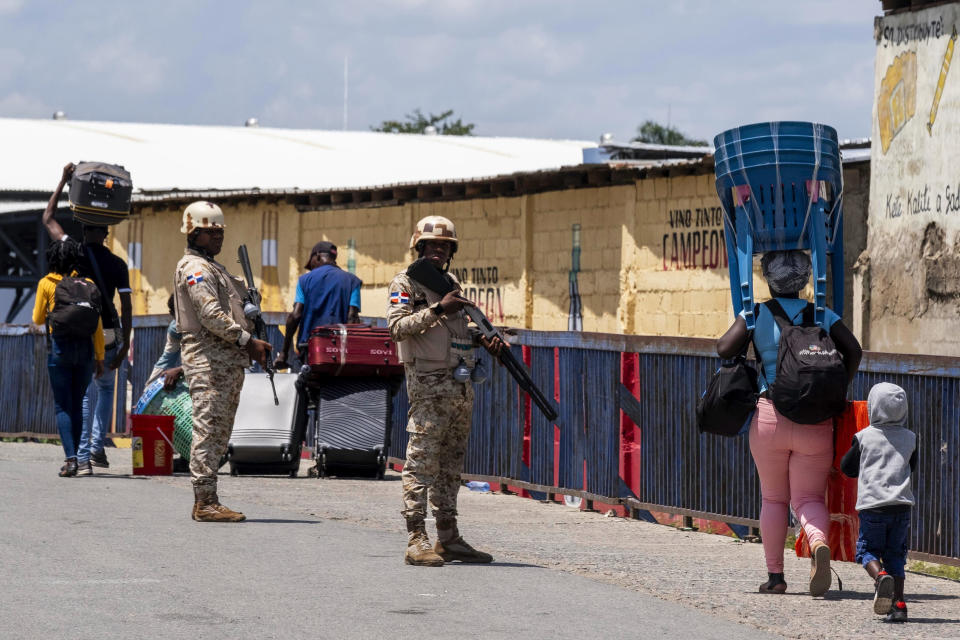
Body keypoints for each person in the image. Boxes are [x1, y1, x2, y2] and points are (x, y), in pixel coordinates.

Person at [716, 249, 862, 595]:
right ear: (805, 277)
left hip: (769, 417)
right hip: (816, 420)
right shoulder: (822, 313)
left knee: (774, 499)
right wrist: (837, 390)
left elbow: (724, 348)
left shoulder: (756, 313)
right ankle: (817, 540)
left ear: (769, 277)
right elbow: (853, 350)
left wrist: (748, 323)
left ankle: (776, 577)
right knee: (809, 496)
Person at [387, 215, 503, 566]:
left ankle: (448, 537)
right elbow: (397, 327)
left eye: (445, 246)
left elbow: (457, 330)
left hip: (458, 385)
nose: (439, 250)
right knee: (421, 463)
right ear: (419, 248)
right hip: (428, 385)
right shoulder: (405, 283)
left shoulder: (448, 281)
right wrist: (438, 308)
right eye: (432, 245)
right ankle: (415, 538)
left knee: (451, 467)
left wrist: (483, 337)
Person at [173, 201, 272, 522]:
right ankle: (204, 501)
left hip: (226, 361)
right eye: (210, 232)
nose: (217, 238)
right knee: (209, 427)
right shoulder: (195, 269)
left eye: (219, 232)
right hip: (208, 360)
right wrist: (247, 340)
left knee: (220, 430)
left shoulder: (213, 267)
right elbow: (210, 314)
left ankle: (209, 498)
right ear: (193, 232)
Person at [42, 162, 133, 471]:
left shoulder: (72, 252)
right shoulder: (118, 264)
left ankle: (81, 456)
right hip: (107, 333)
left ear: (84, 228)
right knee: (106, 389)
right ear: (107, 233)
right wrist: (124, 344)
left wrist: (63, 180)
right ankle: (96, 447)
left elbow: (48, 218)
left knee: (80, 394)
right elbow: (128, 307)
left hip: (79, 331)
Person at [841, 382, 916, 622]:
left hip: (873, 506)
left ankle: (880, 576)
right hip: (902, 506)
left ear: (873, 407)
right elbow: (911, 467)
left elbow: (847, 467)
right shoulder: (910, 438)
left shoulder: (864, 437)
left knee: (867, 550)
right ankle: (900, 604)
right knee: (896, 554)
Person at [32, 238, 105, 477]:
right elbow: (97, 325)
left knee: (62, 405)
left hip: (60, 348)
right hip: (85, 350)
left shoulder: (47, 283)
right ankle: (80, 460)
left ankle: (71, 459)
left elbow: (38, 319)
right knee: (77, 403)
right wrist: (100, 357)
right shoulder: (88, 283)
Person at [274, 241, 361, 371]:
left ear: (318, 256)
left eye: (311, 264)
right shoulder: (353, 281)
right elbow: (352, 318)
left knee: (306, 388)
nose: (312, 268)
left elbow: (296, 315)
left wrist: (284, 353)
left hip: (310, 350)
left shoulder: (304, 280)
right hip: (340, 352)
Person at [146, 294, 183, 389]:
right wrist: (147, 392)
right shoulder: (175, 329)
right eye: (181, 314)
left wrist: (180, 370)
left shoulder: (206, 324)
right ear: (172, 314)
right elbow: (165, 361)